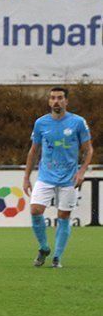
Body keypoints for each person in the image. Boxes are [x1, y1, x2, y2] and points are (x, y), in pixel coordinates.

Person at [23, 86, 93, 268]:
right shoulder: (41, 123)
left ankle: (57, 257)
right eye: (53, 98)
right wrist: (26, 177)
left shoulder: (77, 122)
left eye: (60, 98)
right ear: (49, 101)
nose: (56, 101)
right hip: (45, 177)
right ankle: (44, 247)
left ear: (66, 101)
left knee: (64, 216)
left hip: (69, 179)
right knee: (35, 210)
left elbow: (88, 149)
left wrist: (82, 171)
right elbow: (34, 151)